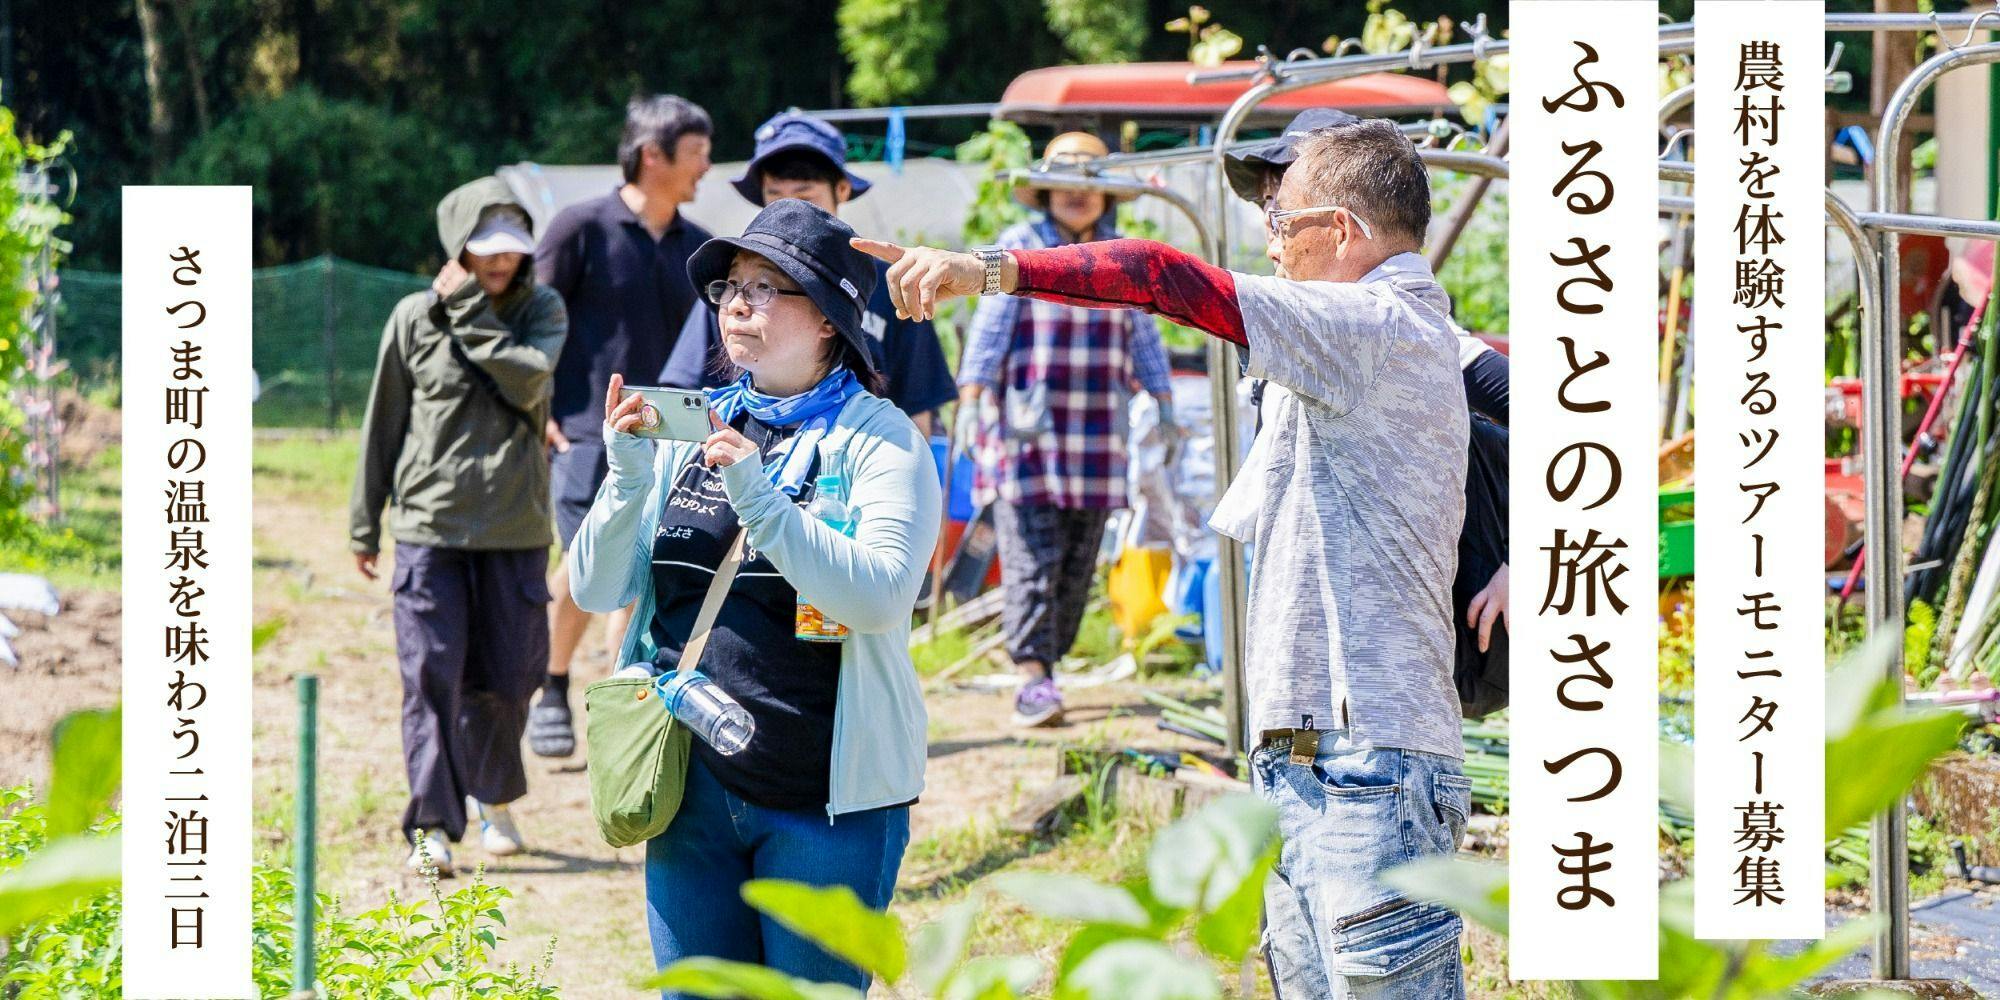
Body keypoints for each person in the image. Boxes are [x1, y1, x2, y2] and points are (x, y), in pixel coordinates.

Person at [856, 117, 1472, 998]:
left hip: (1368, 759)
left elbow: (1155, 275)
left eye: (1284, 223)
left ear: (1340, 231)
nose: (1271, 244)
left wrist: (983, 270)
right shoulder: (1383, 333)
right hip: (1309, 751)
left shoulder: (1367, 320)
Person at [568, 199, 939, 995]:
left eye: (771, 287)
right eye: (733, 285)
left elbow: (878, 599)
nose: (739, 303)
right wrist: (628, 476)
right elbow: (595, 587)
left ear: (832, 320)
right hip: (688, 787)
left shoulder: (882, 441)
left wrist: (761, 498)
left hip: (827, 804)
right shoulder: (691, 429)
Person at [1227, 108, 1512, 664]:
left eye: (1284, 206)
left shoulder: (1399, 333)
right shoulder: (1297, 320)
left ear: (1340, 218)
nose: (1272, 227)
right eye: (1267, 206)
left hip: (1384, 648)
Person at [349, 176, 568, 876]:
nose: (499, 261)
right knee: (431, 676)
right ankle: (433, 826)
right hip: (430, 527)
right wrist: (365, 523)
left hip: (515, 530)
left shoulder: (542, 309)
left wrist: (470, 307)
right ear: (457, 245)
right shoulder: (414, 317)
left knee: (510, 677)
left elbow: (530, 377)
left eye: (509, 249)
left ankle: (496, 797)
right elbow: (382, 422)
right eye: (483, 249)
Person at [955, 131, 1178, 729]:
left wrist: (1163, 402)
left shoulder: (1123, 256)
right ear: (1046, 190)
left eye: (1090, 186)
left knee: (1078, 564)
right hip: (1027, 436)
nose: (1077, 197)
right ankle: (1031, 675)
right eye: (1066, 184)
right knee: (1032, 557)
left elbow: (1145, 335)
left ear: (1106, 196)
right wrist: (973, 396)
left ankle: (1049, 666)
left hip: (1099, 436)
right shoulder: (1020, 247)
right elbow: (990, 329)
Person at [530, 94, 715, 759]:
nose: (707, 167)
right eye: (696, 153)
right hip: (583, 431)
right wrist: (541, 409)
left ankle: (623, 712)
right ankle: (553, 686)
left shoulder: (699, 250)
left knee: (642, 577)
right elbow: (535, 322)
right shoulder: (580, 228)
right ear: (651, 156)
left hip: (671, 448)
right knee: (591, 565)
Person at [660, 111, 957, 435]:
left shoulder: (893, 286)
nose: (791, 213)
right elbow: (684, 397)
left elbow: (918, 414)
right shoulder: (735, 290)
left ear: (841, 189)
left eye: (805, 196)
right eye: (775, 196)